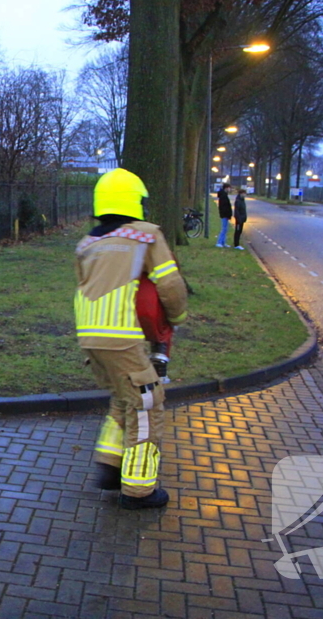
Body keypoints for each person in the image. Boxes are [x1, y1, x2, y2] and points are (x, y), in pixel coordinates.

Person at [75, 168, 188, 510]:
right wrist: (177, 319)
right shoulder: (146, 235)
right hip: (122, 336)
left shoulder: (87, 244)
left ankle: (110, 467)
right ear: (135, 201)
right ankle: (139, 489)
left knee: (123, 399)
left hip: (90, 336)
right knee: (147, 403)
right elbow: (169, 285)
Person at [216, 183, 232, 247]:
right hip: (224, 214)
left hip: (225, 214)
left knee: (225, 229)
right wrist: (227, 214)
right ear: (226, 188)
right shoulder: (223, 196)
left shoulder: (224, 195)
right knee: (224, 229)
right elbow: (224, 206)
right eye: (229, 188)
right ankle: (219, 242)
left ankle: (223, 242)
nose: (230, 189)